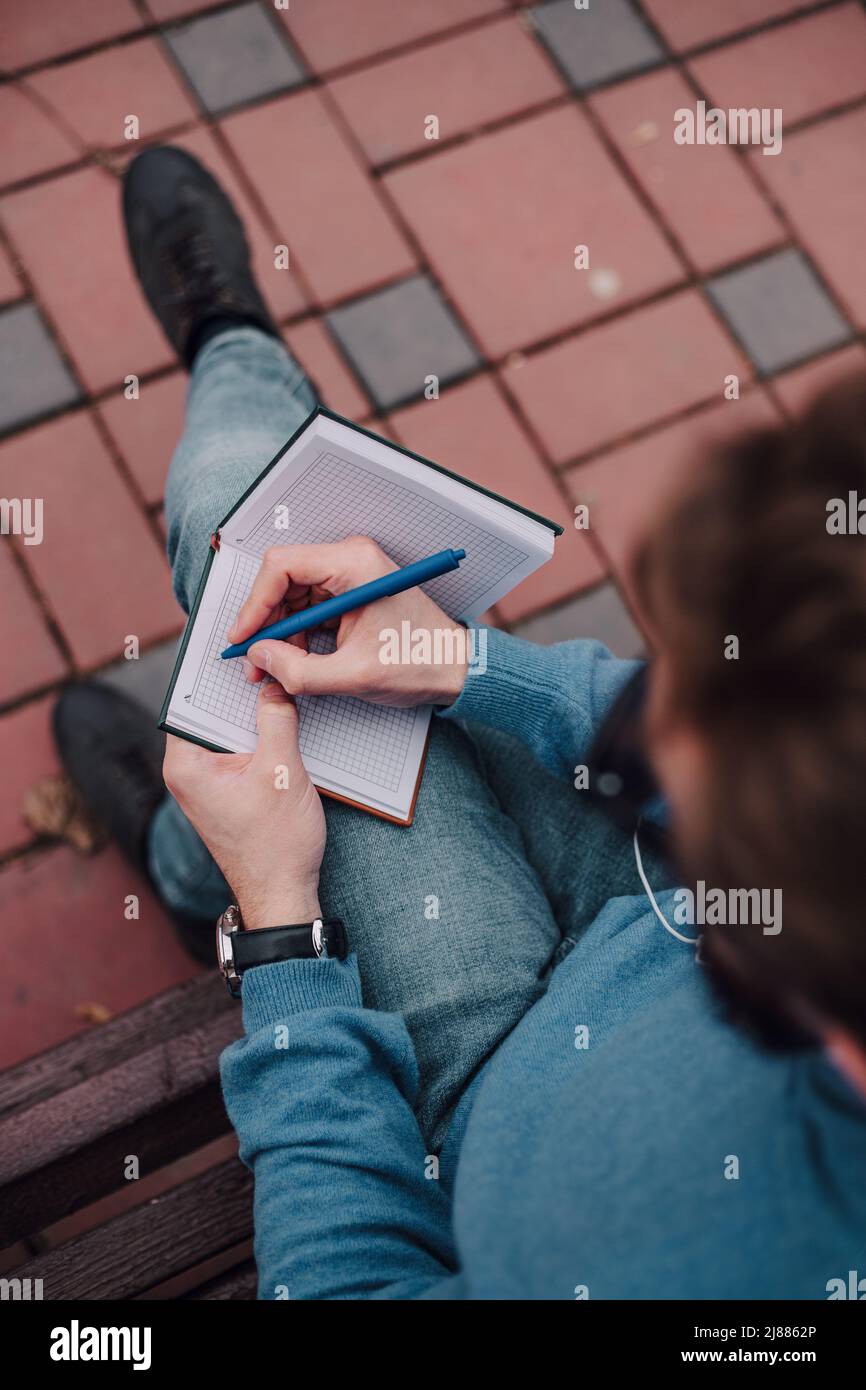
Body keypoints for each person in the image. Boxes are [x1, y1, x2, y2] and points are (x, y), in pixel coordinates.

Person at [56, 147, 866, 1300]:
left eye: (668, 730)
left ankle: (230, 343)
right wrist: (469, 663)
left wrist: (281, 933)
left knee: (237, 496)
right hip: (632, 923)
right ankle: (196, 861)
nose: (631, 721)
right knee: (278, 593)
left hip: (485, 1102)